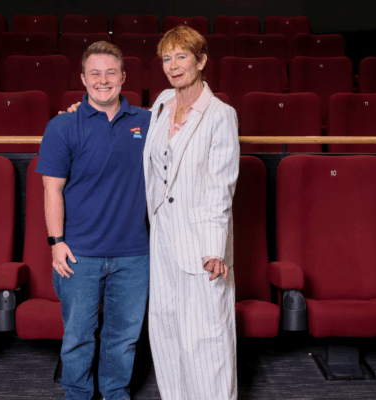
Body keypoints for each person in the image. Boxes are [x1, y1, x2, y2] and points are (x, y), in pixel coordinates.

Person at [36, 41, 151, 400]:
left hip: (134, 254)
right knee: (78, 337)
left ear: (123, 77)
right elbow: (51, 190)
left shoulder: (148, 122)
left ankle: (116, 393)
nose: (104, 81)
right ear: (83, 79)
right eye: (95, 74)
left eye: (111, 73)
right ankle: (77, 395)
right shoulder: (62, 126)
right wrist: (56, 243)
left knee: (124, 338)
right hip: (79, 254)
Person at [144, 26, 240, 400]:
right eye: (166, 58)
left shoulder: (221, 115)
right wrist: (81, 109)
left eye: (181, 57)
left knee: (207, 339)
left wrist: (214, 248)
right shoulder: (163, 102)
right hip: (162, 237)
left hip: (202, 243)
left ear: (201, 61)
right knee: (166, 333)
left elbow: (221, 185)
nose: (173, 66)